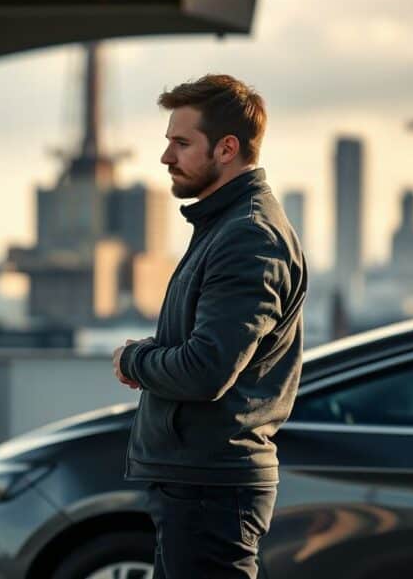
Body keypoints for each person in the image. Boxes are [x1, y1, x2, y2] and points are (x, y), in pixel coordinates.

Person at [111, 74, 307, 579]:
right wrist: (155, 354)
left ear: (226, 149)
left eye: (181, 143)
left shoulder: (248, 237)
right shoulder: (225, 226)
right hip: (198, 481)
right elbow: (203, 345)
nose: (166, 157)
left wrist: (135, 360)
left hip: (211, 486)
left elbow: (205, 369)